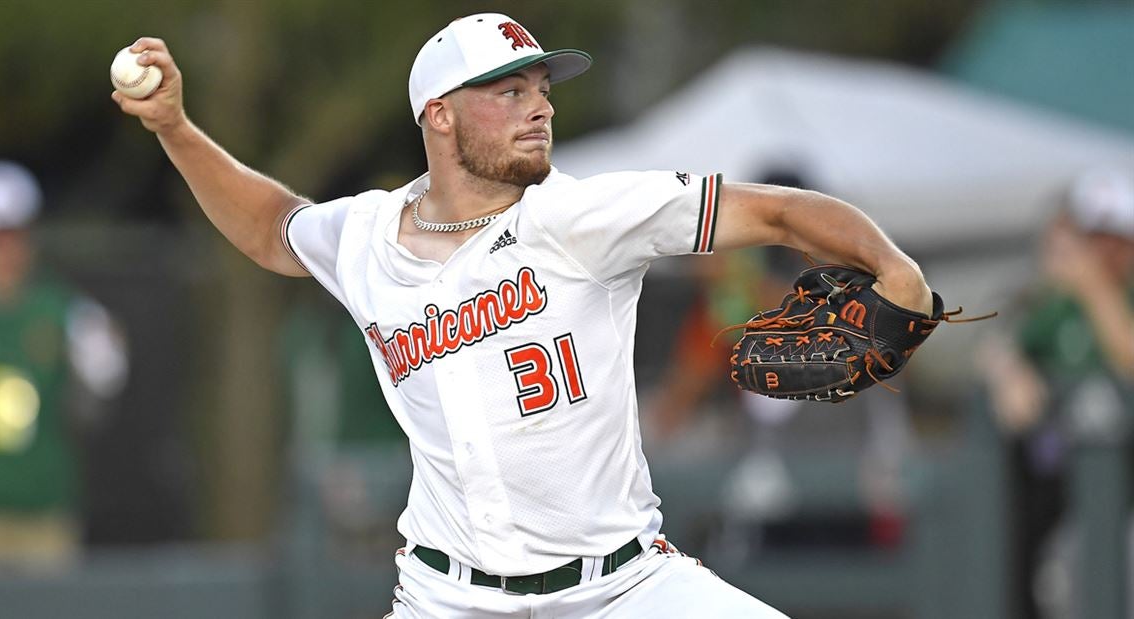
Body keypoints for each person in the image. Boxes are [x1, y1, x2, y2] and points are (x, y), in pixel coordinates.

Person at [112, 13, 933, 617]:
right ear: (439, 113)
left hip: (622, 588)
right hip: (448, 597)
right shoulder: (363, 236)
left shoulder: (583, 215)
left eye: (541, 90)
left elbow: (781, 212)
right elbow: (269, 225)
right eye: (509, 92)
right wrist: (177, 128)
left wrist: (894, 268)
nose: (539, 107)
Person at [0, 161, 127, 576]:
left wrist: (101, 371)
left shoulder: (65, 313)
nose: (3, 254)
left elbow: (92, 412)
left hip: (44, 517)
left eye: (13, 239)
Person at [978, 169, 1134, 618]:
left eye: (1112, 237)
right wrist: (1010, 371)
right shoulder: (1056, 302)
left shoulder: (1108, 293)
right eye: (1092, 237)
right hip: (1067, 487)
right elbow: (1001, 341)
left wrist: (1094, 288)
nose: (1101, 251)